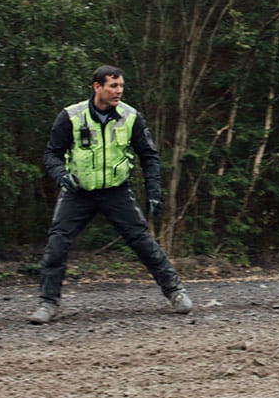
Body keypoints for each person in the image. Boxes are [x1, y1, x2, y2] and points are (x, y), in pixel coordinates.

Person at [28, 65, 193, 324]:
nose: (119, 91)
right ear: (97, 87)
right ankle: (48, 303)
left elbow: (148, 155)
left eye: (121, 86)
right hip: (78, 193)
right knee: (57, 243)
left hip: (116, 191)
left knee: (142, 241)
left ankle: (175, 291)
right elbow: (51, 153)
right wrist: (60, 174)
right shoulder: (71, 116)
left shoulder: (130, 117)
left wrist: (153, 190)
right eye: (113, 86)